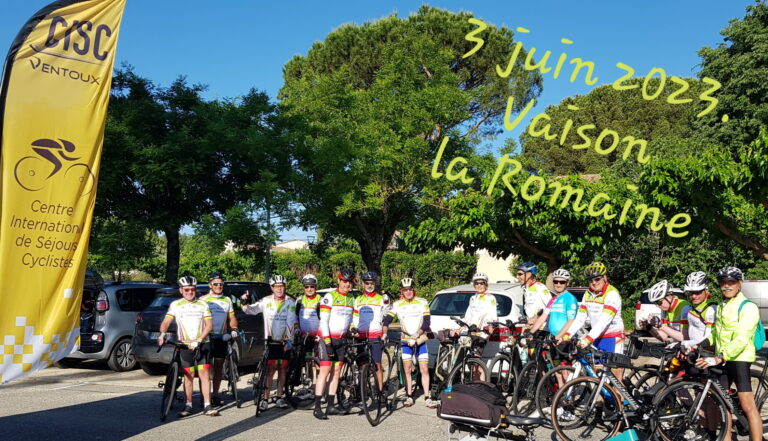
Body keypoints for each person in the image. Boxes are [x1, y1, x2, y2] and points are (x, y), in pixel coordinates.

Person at [695, 266, 762, 441]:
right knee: (723, 405)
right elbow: (716, 334)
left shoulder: (748, 307)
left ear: (740, 283)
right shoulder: (722, 306)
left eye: (731, 282)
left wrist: (720, 356)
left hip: (739, 359)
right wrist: (698, 346)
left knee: (748, 406)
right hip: (722, 360)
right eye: (723, 283)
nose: (726, 286)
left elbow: (742, 337)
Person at [158, 275, 217, 417]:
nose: (190, 292)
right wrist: (162, 333)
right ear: (181, 290)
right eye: (187, 290)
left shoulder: (203, 304)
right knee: (188, 375)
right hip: (185, 345)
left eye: (192, 289)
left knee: (204, 374)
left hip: (202, 344)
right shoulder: (175, 305)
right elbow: (166, 322)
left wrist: (199, 339)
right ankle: (188, 404)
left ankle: (207, 405)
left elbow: (209, 325)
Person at [241, 274, 297, 411]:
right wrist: (243, 302)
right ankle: (265, 398)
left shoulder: (290, 302)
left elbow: (291, 322)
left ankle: (279, 397)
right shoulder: (266, 301)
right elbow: (250, 310)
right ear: (272, 288)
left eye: (282, 286)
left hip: (284, 341)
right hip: (271, 341)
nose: (279, 289)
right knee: (270, 370)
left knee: (283, 369)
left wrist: (289, 340)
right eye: (277, 287)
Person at [382, 278, 434, 408]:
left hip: (420, 339)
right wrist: (384, 333)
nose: (408, 292)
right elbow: (387, 320)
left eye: (410, 289)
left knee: (424, 369)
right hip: (406, 341)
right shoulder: (398, 304)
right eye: (405, 290)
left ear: (413, 290)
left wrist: (417, 335)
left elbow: (427, 322)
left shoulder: (422, 302)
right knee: (407, 369)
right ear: (402, 291)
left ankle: (427, 396)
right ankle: (409, 395)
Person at [313, 269, 356, 420]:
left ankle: (331, 405)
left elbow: (351, 320)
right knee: (324, 371)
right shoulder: (329, 297)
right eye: (344, 281)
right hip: (327, 338)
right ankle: (318, 407)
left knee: (336, 372)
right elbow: (323, 321)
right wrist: (327, 341)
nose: (347, 284)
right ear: (339, 281)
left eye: (350, 282)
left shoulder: (351, 298)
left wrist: (352, 329)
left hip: (342, 340)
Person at [529, 269, 578, 387]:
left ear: (567, 283)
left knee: (565, 372)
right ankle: (560, 399)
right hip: (553, 340)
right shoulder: (553, 299)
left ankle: (569, 399)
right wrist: (531, 332)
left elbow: (571, 321)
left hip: (564, 340)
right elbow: (543, 317)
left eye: (562, 282)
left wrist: (559, 336)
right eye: (556, 281)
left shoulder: (570, 299)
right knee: (557, 371)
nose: (558, 284)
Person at [565, 262, 625, 353]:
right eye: (590, 280)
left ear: (605, 278)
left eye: (597, 279)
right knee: (595, 367)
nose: (594, 283)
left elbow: (604, 321)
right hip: (596, 337)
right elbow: (580, 318)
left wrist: (588, 339)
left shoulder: (612, 294)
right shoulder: (588, 294)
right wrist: (567, 334)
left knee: (613, 367)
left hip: (612, 337)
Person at [200, 272, 239, 408]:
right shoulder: (203, 299)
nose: (218, 286)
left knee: (218, 369)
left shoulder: (227, 300)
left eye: (221, 284)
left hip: (220, 338)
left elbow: (232, 317)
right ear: (210, 285)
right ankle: (204, 397)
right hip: (207, 338)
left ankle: (215, 395)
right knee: (204, 369)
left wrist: (234, 328)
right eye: (216, 284)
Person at [350, 271, 389, 395]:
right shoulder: (358, 300)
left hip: (375, 335)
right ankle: (362, 389)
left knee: (377, 364)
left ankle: (380, 391)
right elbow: (354, 318)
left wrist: (384, 333)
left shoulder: (380, 299)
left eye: (372, 283)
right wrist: (353, 328)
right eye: (367, 283)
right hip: (360, 336)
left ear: (375, 284)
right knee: (362, 365)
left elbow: (386, 316)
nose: (369, 285)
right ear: (363, 284)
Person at [294, 273, 321, 400]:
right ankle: (310, 386)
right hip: (304, 336)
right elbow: (295, 317)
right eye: (306, 287)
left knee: (318, 363)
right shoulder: (299, 301)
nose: (309, 289)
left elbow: (324, 318)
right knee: (307, 362)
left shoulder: (320, 300)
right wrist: (297, 329)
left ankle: (318, 388)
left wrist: (321, 334)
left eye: (311, 286)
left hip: (318, 336)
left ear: (315, 287)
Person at [645, 279, 691, 344]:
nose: (657, 306)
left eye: (659, 302)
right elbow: (663, 337)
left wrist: (661, 325)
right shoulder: (666, 310)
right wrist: (649, 327)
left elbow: (684, 337)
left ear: (669, 297)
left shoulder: (684, 307)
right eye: (655, 303)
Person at [680, 271, 717, 349]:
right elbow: (684, 335)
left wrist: (686, 344)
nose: (694, 296)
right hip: (691, 348)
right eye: (691, 292)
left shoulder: (711, 309)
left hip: (705, 351)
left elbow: (707, 340)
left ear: (706, 290)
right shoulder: (688, 308)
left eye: (698, 292)